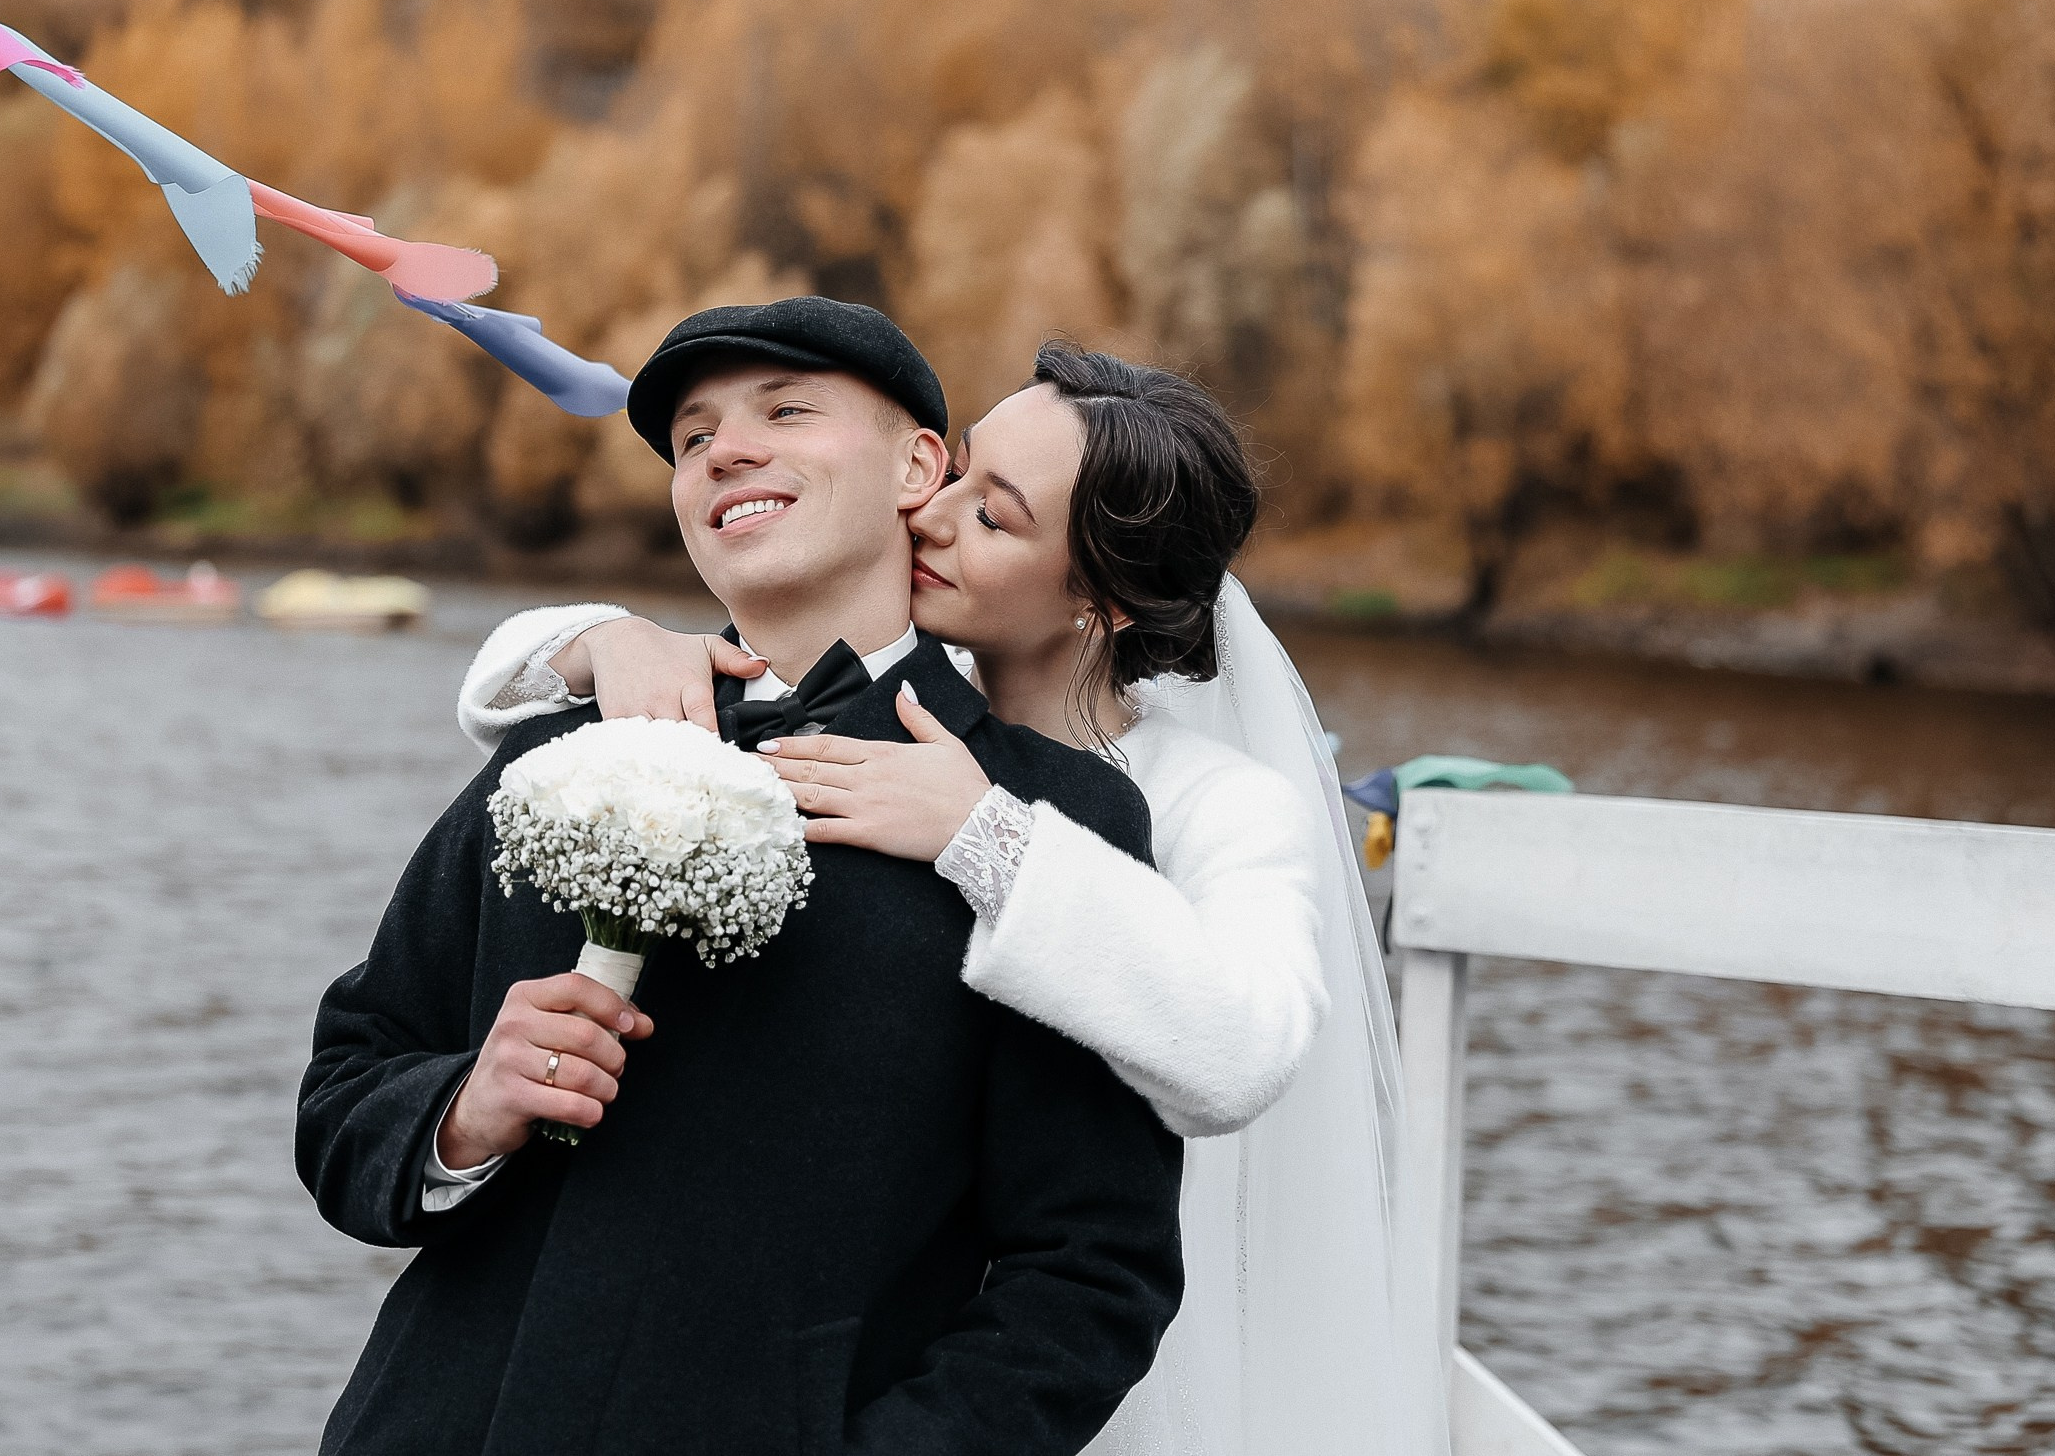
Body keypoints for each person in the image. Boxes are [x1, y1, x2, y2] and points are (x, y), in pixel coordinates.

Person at [456, 343, 1451, 1454]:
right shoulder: (899, 692)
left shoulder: (1215, 800)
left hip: (1074, 1354)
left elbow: (1242, 1051)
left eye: (995, 516)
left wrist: (985, 839)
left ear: (1102, 599)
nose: (933, 517)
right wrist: (606, 638)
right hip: (875, 1324)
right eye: (961, 471)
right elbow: (509, 679)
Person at [297, 299, 1187, 1456]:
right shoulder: (554, 750)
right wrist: (467, 1110)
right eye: (694, 436)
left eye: (787, 410)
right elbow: (345, 1087)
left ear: (922, 464)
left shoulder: (1045, 818)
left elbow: (1090, 1275)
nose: (727, 448)